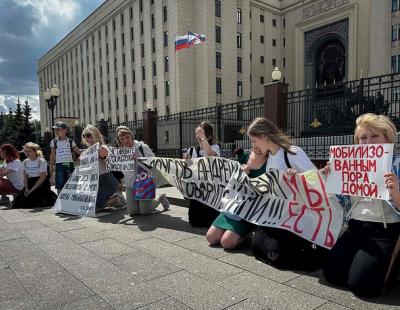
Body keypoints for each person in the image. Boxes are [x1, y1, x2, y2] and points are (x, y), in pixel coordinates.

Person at [323, 113, 400, 297]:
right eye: (363, 138)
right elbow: (341, 203)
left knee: (362, 286)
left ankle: (391, 268)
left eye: (375, 136)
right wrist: (331, 179)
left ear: (387, 138)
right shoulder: (350, 164)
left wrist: (395, 192)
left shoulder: (397, 164)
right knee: (332, 275)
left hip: (384, 228)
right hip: (355, 225)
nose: (368, 142)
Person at [206, 148, 268, 249]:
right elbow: (230, 175)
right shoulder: (245, 156)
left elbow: (265, 190)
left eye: (256, 141)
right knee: (211, 238)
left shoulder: (270, 163)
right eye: (253, 141)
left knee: (227, 243)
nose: (255, 145)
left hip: (248, 212)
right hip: (232, 207)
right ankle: (234, 232)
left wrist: (248, 176)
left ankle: (248, 234)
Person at [115, 126, 169, 216]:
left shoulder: (142, 147)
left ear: (131, 136)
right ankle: (140, 203)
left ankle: (160, 198)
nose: (125, 141)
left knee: (144, 212)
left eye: (127, 137)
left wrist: (139, 159)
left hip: (143, 182)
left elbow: (154, 162)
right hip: (130, 184)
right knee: (132, 212)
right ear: (120, 141)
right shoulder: (121, 152)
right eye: (122, 139)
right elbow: (119, 169)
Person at [183, 121, 221, 227]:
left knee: (210, 220)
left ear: (209, 135)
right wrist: (187, 161)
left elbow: (210, 155)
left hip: (210, 187)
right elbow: (189, 168)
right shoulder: (192, 150)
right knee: (194, 221)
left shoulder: (215, 147)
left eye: (202, 134)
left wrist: (203, 138)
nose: (199, 137)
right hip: (197, 188)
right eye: (198, 134)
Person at [81, 125, 122, 212]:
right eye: (84, 136)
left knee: (94, 208)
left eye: (88, 135)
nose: (86, 138)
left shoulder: (102, 148)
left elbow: (111, 167)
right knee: (87, 206)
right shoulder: (85, 152)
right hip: (93, 182)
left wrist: (103, 157)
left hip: (106, 180)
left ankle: (115, 199)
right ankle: (112, 200)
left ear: (95, 134)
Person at [14, 143, 56, 208]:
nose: (27, 153)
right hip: (31, 182)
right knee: (19, 201)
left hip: (41, 183)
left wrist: (31, 190)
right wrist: (26, 188)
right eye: (25, 151)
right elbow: (25, 177)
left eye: (29, 151)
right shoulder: (25, 161)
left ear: (35, 151)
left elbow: (42, 178)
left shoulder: (41, 161)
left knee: (35, 200)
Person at [49, 122, 81, 194]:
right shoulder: (54, 142)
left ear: (65, 130)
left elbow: (78, 151)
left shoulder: (70, 141)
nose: (56, 131)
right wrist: (51, 166)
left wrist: (88, 150)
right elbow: (52, 155)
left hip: (69, 164)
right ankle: (60, 199)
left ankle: (71, 197)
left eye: (58, 129)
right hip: (59, 165)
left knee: (71, 182)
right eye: (55, 130)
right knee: (60, 183)